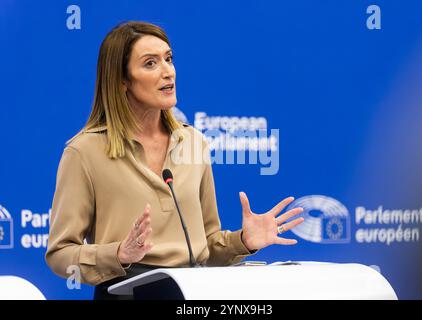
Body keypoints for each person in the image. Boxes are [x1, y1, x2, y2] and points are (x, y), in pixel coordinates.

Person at [45, 21, 304, 300]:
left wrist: (242, 241)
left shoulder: (194, 143)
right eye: (150, 64)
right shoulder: (85, 151)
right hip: (126, 293)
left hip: (191, 294)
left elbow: (207, 247)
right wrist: (118, 254)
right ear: (122, 81)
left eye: (168, 59)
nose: (167, 71)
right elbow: (61, 254)